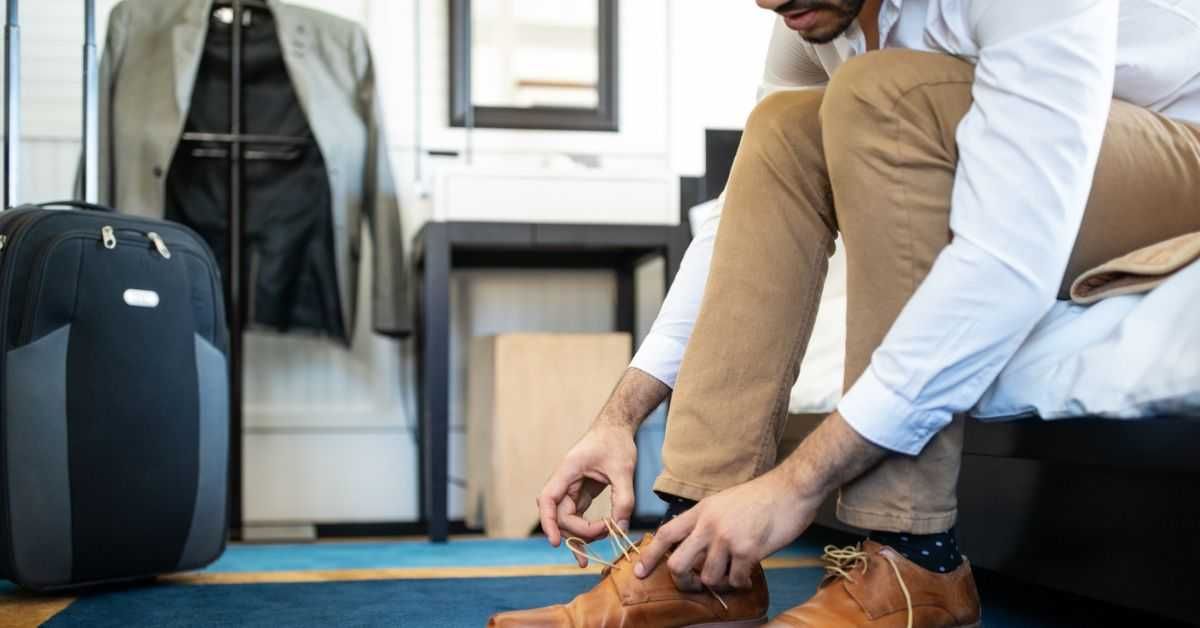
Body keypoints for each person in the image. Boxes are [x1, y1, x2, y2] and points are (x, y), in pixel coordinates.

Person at [490, 0, 1200, 626]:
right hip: (1014, 156)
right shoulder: (808, 14)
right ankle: (699, 562)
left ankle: (916, 560)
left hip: (1176, 158)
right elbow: (739, 217)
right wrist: (621, 415)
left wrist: (798, 485)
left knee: (878, 94)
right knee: (781, 128)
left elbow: (1007, 264)